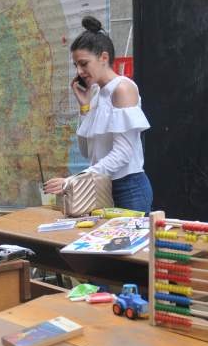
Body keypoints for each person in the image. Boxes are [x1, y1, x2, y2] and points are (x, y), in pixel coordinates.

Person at [44, 15, 153, 213]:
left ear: (104, 58)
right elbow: (88, 152)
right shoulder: (95, 93)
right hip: (101, 187)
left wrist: (73, 180)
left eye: (84, 63)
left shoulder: (123, 89)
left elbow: (123, 153)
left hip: (129, 188)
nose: (79, 71)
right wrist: (84, 108)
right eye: (76, 65)